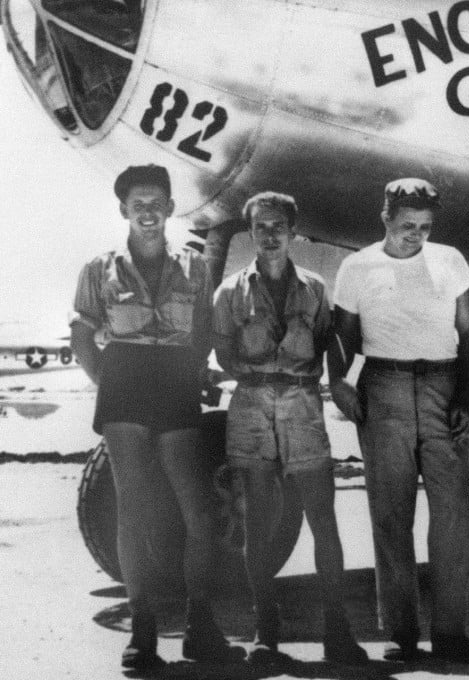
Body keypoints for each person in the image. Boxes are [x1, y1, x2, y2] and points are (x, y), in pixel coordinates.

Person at [70, 164, 245, 669]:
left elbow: (205, 332)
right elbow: (83, 331)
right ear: (124, 210)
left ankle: (200, 624)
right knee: (134, 507)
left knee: (197, 508)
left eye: (156, 203)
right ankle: (142, 627)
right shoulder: (99, 268)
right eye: (137, 204)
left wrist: (190, 373)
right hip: (123, 382)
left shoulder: (195, 267)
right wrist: (106, 381)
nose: (147, 213)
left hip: (174, 381)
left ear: (170, 209)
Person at [330, 178, 469, 663]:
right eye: (406, 226)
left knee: (453, 514)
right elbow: (343, 337)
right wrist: (339, 383)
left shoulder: (450, 260)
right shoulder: (357, 267)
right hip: (385, 388)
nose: (416, 235)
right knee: (391, 515)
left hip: (442, 386)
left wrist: (463, 397)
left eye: (425, 226)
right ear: (385, 218)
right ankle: (401, 634)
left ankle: (450, 633)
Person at [211, 192, 367, 664]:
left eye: (280, 226)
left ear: (294, 232)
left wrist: (336, 382)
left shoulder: (316, 289)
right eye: (261, 226)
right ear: (252, 232)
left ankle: (337, 630)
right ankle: (266, 633)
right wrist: (255, 378)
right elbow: (222, 350)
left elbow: (330, 344)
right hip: (253, 404)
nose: (271, 234)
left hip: (302, 403)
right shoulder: (230, 293)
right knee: (259, 521)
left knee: (324, 517)